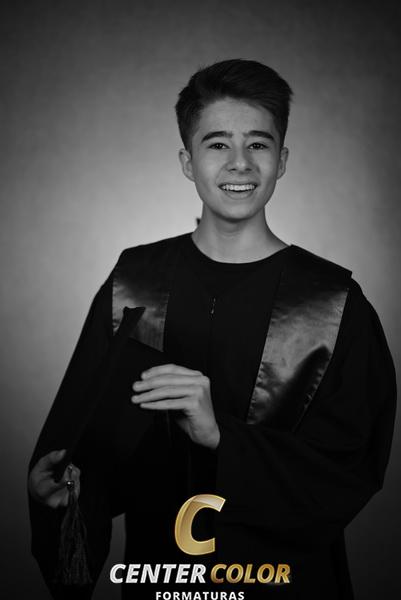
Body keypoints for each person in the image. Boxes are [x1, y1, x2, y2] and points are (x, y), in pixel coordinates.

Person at [28, 59, 396, 600]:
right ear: (187, 160)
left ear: (282, 160)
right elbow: (88, 448)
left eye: (258, 144)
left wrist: (222, 437)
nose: (239, 163)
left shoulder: (333, 302)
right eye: (217, 144)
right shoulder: (135, 283)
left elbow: (351, 467)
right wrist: (68, 492)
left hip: (287, 582)